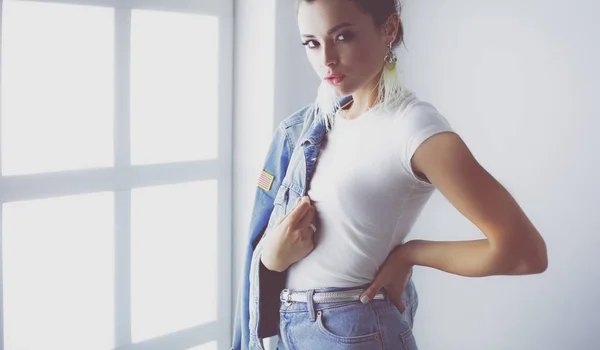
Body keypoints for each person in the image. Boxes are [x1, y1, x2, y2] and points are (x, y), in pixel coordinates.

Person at [232, 0, 549, 349]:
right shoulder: (308, 128)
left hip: (352, 330)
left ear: (390, 28)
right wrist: (271, 258)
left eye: (343, 36)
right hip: (291, 329)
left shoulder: (413, 128)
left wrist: (411, 253)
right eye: (312, 42)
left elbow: (524, 252)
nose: (326, 59)